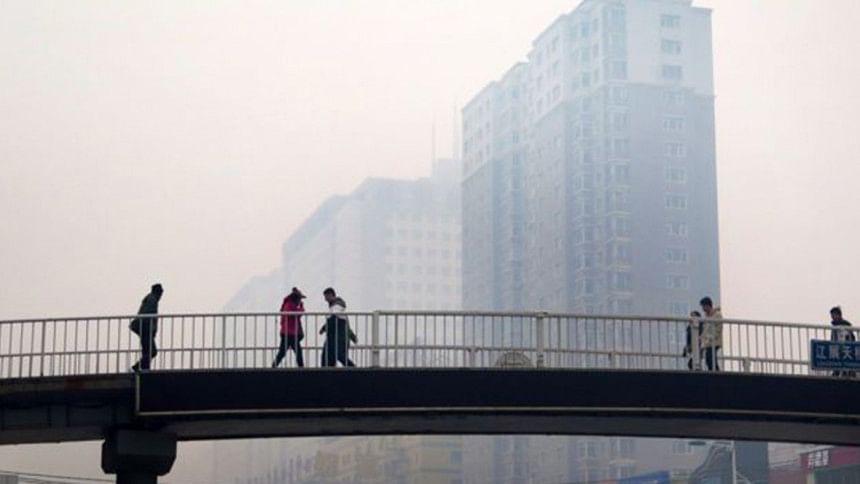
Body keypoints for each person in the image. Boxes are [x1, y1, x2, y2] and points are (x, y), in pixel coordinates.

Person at [319, 287, 357, 367]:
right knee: (333, 356)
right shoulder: (335, 307)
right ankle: (353, 368)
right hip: (334, 337)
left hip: (337, 337)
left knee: (336, 355)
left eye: (326, 296)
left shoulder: (337, 306)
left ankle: (353, 368)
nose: (325, 299)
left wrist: (324, 328)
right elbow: (346, 325)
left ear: (331, 295)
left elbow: (334, 318)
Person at [130, 283, 163, 372]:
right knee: (152, 351)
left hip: (144, 328)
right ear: (158, 292)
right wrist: (152, 329)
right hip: (145, 329)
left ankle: (144, 369)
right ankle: (137, 367)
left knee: (147, 351)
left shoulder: (150, 298)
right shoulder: (152, 300)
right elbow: (148, 316)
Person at [272, 287, 306, 368]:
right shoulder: (289, 305)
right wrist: (302, 307)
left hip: (288, 332)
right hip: (289, 333)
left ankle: (274, 366)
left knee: (283, 352)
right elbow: (298, 314)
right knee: (297, 351)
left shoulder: (288, 305)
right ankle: (302, 368)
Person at [829, 306, 856, 378]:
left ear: (839, 315)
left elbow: (851, 337)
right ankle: (837, 373)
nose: (832, 317)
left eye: (833, 315)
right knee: (838, 364)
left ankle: (849, 373)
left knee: (846, 363)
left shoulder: (846, 325)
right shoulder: (834, 326)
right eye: (831, 316)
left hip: (845, 348)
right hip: (836, 348)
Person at [699, 297, 722, 371]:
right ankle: (714, 372)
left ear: (708, 305)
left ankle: (716, 373)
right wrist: (702, 339)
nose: (703, 309)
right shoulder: (706, 316)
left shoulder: (717, 315)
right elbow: (705, 330)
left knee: (711, 358)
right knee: (709, 359)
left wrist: (711, 337)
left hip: (714, 341)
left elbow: (718, 328)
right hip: (708, 342)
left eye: (703, 306)